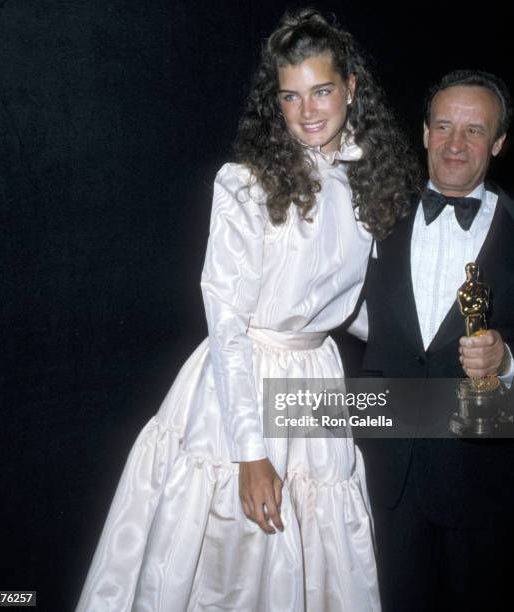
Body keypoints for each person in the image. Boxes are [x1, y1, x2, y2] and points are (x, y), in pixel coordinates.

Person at [76, 9, 419, 611]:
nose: (308, 111)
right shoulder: (244, 182)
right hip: (241, 384)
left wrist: (426, 352)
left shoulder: (370, 182)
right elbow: (227, 322)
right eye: (291, 97)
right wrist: (251, 453)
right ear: (275, 103)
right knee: (227, 564)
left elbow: (349, 309)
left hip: (315, 384)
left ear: (352, 88)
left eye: (322, 91)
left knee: (314, 555)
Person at [359, 70, 514, 611]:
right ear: (424, 132)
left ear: (498, 143)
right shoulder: (374, 217)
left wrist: (507, 359)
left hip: (483, 480)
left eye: (474, 131)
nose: (454, 143)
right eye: (444, 126)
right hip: (385, 474)